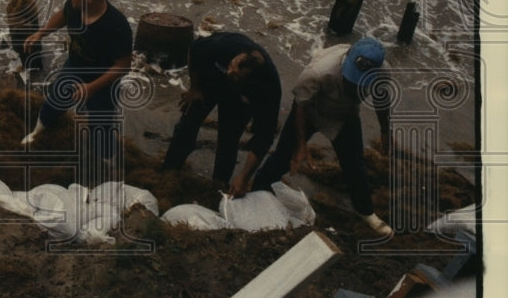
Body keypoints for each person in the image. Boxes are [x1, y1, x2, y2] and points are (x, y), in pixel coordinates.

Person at [250, 37, 394, 237]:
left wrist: (385, 131)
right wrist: (301, 145)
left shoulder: (383, 74)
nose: (355, 85)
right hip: (310, 112)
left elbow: (382, 101)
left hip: (345, 115)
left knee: (355, 165)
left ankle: (365, 211)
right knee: (283, 157)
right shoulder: (319, 72)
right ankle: (257, 190)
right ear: (346, 62)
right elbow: (300, 104)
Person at [21, 0, 133, 158]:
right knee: (54, 101)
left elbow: (123, 66)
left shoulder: (117, 26)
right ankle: (38, 131)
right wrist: (41, 33)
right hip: (75, 66)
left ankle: (105, 160)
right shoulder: (74, 6)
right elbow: (62, 16)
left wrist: (92, 88)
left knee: (101, 126)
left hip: (103, 78)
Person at [160, 32, 281, 197]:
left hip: (240, 98)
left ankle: (218, 186)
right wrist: (195, 87)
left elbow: (264, 137)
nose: (229, 73)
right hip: (210, 81)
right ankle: (169, 170)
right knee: (187, 123)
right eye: (231, 66)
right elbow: (195, 50)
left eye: (236, 74)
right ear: (238, 56)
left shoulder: (268, 88)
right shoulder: (226, 45)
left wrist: (245, 177)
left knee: (229, 139)